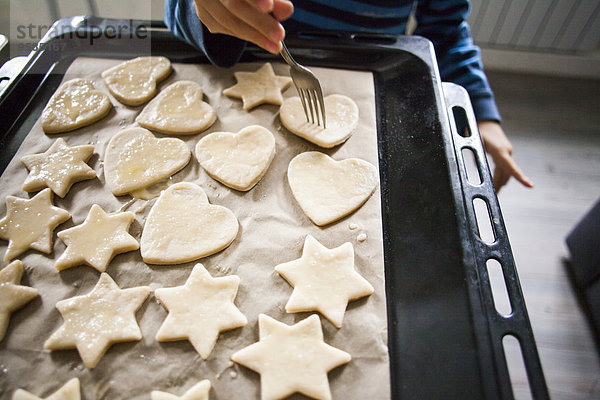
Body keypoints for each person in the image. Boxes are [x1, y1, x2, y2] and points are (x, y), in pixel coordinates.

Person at [164, 0, 534, 192]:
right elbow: (175, 13)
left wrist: (478, 112)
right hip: (241, 73)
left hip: (377, 89)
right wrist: (203, 10)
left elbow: (446, 34)